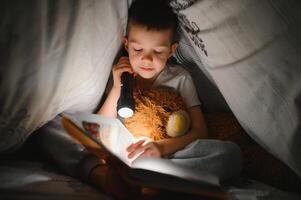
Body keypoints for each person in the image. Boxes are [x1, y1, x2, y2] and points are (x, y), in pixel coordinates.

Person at [93, 0, 242, 197]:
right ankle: (145, 179)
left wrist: (160, 147)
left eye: (158, 51)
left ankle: (153, 180)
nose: (147, 59)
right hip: (129, 155)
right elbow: (98, 126)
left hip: (169, 154)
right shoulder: (120, 75)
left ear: (171, 50)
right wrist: (117, 86)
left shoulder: (180, 78)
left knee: (230, 154)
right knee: (60, 132)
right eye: (138, 50)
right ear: (126, 45)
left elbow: (200, 130)